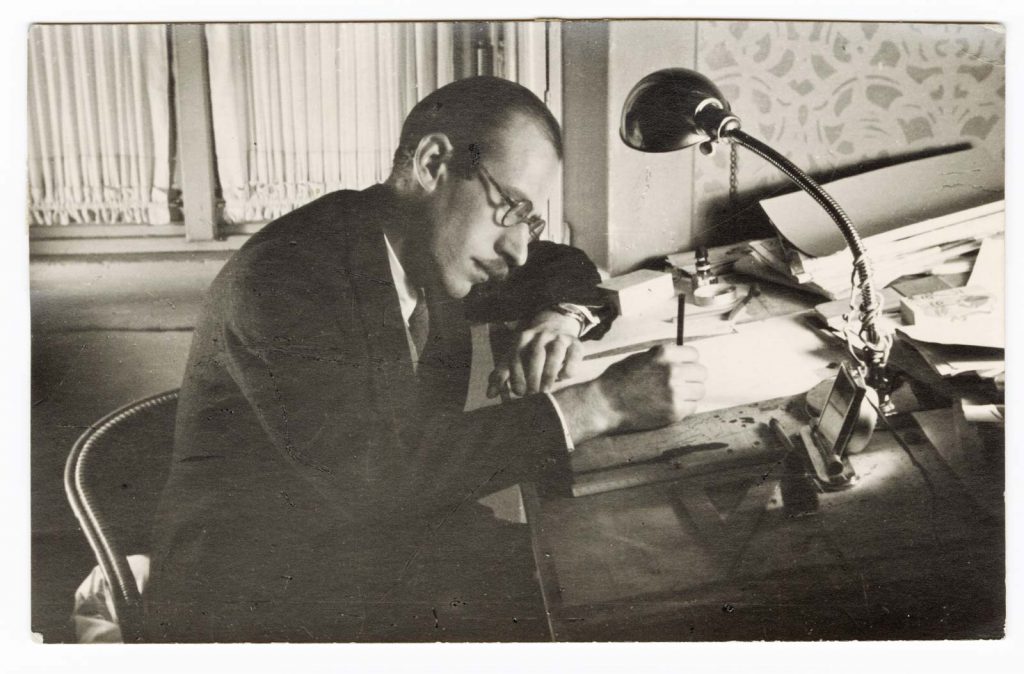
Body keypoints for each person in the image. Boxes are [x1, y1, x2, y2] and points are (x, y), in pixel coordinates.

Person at [145, 76, 707, 642]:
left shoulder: (422, 244)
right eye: (511, 208)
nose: (517, 248)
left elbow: (564, 265)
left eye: (527, 220)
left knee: (626, 573)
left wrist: (560, 317)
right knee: (615, 601)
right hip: (258, 599)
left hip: (383, 542)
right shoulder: (284, 277)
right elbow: (372, 476)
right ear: (434, 163)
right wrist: (597, 405)